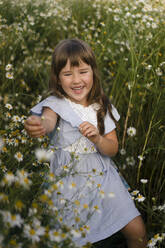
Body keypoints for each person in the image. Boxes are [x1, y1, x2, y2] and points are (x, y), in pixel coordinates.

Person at [24, 38, 147, 248]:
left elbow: (112, 148)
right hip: (69, 182)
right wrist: (39, 124)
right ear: (57, 78)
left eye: (82, 71)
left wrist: (98, 139)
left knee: (137, 230)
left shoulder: (102, 106)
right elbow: (49, 122)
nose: (76, 80)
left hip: (104, 179)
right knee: (73, 239)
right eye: (67, 74)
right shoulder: (55, 104)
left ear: (93, 72)